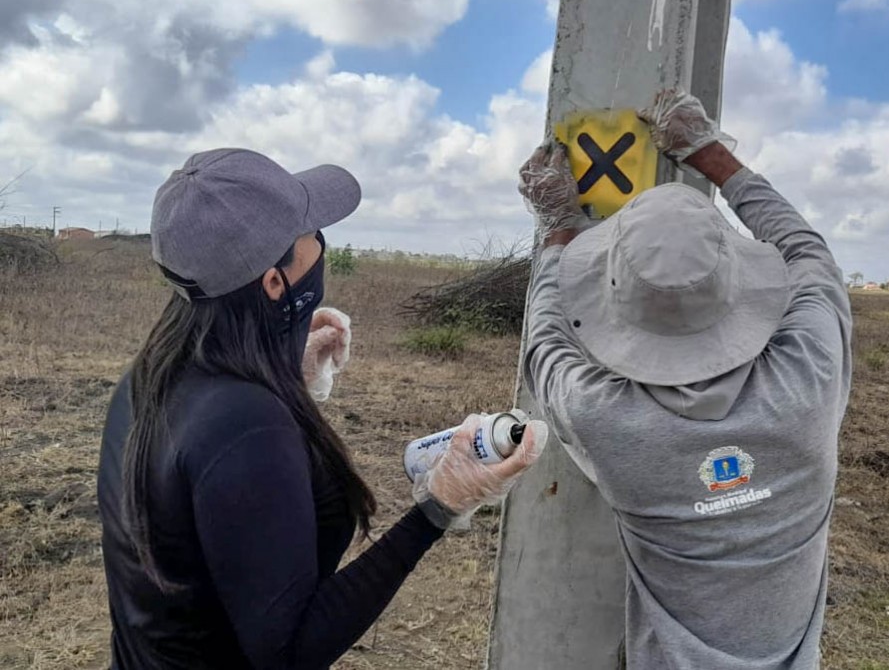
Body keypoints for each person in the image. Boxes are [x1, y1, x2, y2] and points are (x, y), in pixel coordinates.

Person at [97, 148, 545, 669]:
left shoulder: (152, 374)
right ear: (273, 283)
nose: (320, 241)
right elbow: (289, 652)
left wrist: (283, 375)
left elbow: (215, 538)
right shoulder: (246, 425)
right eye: (311, 233)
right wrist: (439, 506)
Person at [518, 90, 851, 669]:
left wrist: (557, 225)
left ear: (612, 296)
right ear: (737, 281)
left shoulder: (602, 416)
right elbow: (807, 254)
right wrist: (709, 153)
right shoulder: (810, 375)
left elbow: (544, 339)